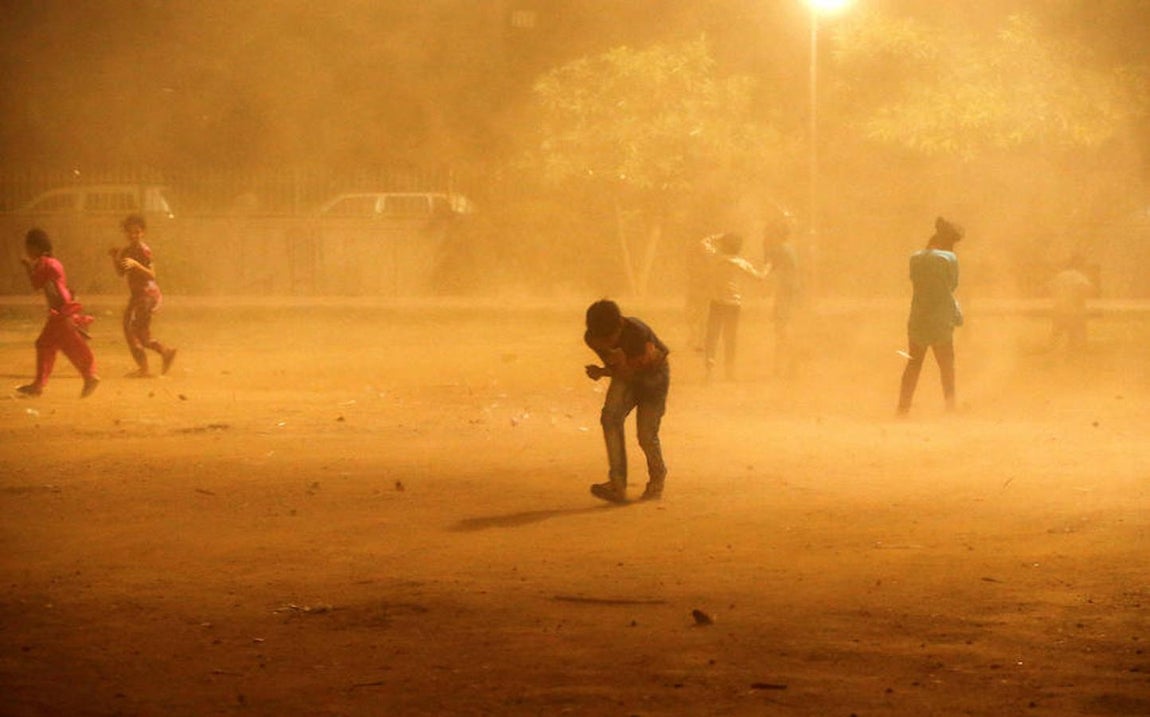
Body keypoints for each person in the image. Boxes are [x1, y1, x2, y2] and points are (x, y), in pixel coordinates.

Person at [583, 299, 670, 503]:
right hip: (626, 375)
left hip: (653, 379)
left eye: (609, 338)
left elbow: (637, 370)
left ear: (620, 325)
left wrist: (606, 371)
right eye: (600, 339)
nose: (605, 343)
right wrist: (607, 369)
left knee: (646, 435)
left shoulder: (638, 334)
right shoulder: (593, 338)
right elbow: (621, 370)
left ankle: (657, 478)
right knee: (610, 419)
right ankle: (617, 483)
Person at [16, 228, 100, 398]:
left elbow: (35, 284)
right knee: (54, 345)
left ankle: (89, 376)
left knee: (64, 345)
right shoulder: (54, 262)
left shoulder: (43, 262)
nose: (28, 251)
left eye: (29, 248)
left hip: (61, 312)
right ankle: (40, 384)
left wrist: (28, 268)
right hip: (63, 310)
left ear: (36, 247)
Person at [897, 217, 964, 415]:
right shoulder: (949, 259)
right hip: (940, 318)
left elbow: (915, 281)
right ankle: (950, 407)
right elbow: (952, 286)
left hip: (918, 316)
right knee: (946, 364)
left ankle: (902, 408)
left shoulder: (915, 257)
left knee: (913, 363)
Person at [109, 214, 176, 377]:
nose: (134, 235)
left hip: (146, 295)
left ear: (143, 232)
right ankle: (166, 352)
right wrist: (114, 258)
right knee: (142, 335)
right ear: (125, 233)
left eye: (137, 232)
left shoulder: (144, 250)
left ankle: (144, 369)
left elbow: (152, 275)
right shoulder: (127, 251)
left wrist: (136, 265)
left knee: (129, 328)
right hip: (138, 296)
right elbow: (120, 273)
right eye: (130, 232)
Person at [700, 232, 769, 382]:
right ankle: (729, 371)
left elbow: (703, 242)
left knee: (712, 336)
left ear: (724, 245)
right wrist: (768, 266)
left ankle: (709, 369)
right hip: (733, 304)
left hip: (716, 303)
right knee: (730, 337)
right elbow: (760, 277)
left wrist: (719, 235)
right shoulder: (741, 263)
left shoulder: (715, 257)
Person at [761, 215, 801, 376]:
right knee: (780, 328)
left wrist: (757, 276)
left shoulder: (780, 249)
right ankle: (778, 366)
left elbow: (768, 267)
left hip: (785, 291)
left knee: (782, 327)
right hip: (789, 290)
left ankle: (793, 361)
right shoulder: (789, 247)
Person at [1047, 254, 1095, 353]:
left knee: (1057, 331)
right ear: (1079, 264)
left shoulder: (1061, 275)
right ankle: (1075, 351)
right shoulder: (1079, 276)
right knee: (1076, 331)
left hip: (1059, 307)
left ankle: (1052, 349)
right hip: (1075, 308)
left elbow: (1050, 287)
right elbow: (1088, 289)